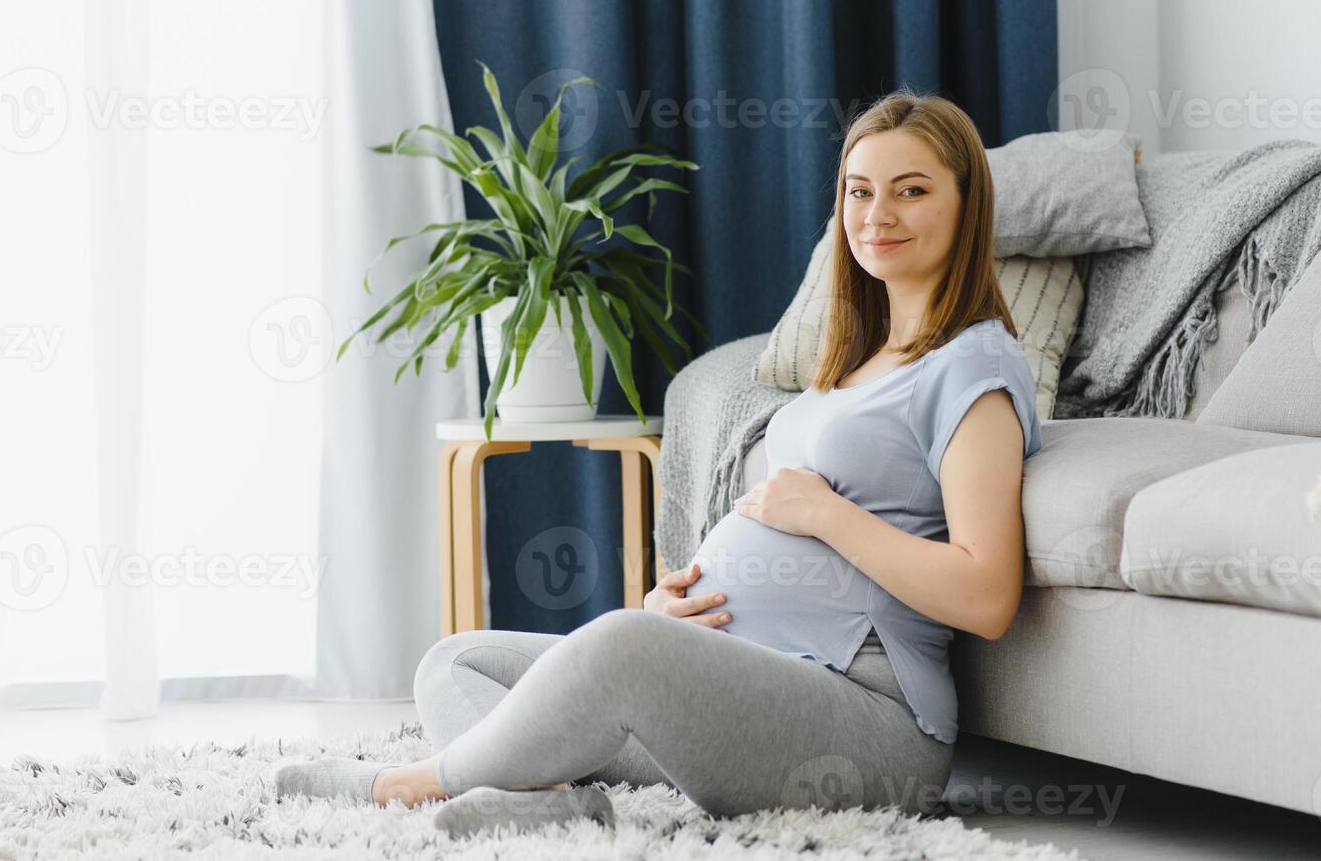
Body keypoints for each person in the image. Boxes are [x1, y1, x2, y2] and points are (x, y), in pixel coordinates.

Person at [275, 90, 1044, 827]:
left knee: (619, 645)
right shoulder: (860, 359)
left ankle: (408, 785)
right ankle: (543, 797)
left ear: (965, 204)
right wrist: (675, 621)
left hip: (865, 722)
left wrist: (827, 514)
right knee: (459, 659)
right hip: (729, 691)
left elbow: (986, 594)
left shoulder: (972, 370)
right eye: (859, 191)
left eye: (910, 191)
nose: (877, 215)